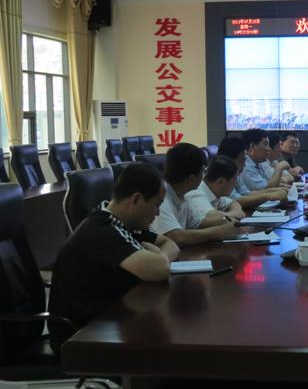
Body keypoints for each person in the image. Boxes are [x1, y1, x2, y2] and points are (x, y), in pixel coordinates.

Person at [48, 163, 180, 355]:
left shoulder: (123, 223)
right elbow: (160, 270)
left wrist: (156, 255)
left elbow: (171, 244)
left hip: (108, 322)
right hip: (81, 337)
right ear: (136, 200)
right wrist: (158, 256)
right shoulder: (101, 230)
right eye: (156, 205)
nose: (157, 213)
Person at [151, 143, 240, 247]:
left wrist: (226, 221)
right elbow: (176, 237)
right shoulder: (161, 198)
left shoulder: (183, 194)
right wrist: (221, 231)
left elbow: (198, 223)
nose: (204, 176)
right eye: (202, 172)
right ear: (191, 179)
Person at [218, 136, 289, 208]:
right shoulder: (222, 175)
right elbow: (237, 200)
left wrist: (275, 191)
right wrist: (269, 196)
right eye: (241, 161)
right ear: (230, 160)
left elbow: (246, 193)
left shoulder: (236, 172)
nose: (244, 165)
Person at [185, 155, 246, 228]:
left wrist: (230, 215)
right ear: (221, 181)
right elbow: (211, 218)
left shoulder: (214, 191)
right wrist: (231, 215)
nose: (235, 184)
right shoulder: (197, 192)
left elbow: (233, 203)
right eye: (234, 180)